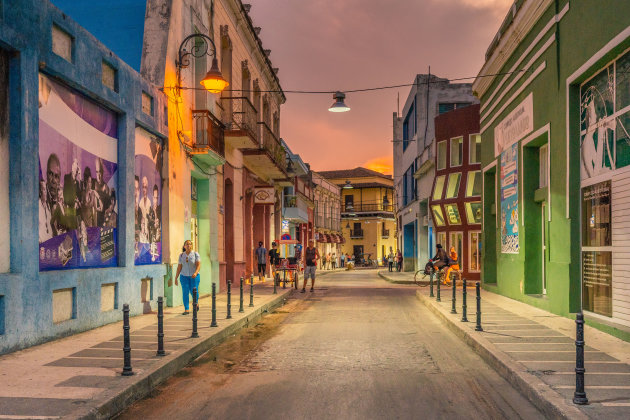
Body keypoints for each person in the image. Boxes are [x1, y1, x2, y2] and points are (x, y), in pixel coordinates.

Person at [174, 240, 201, 315]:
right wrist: (176, 277)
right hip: (184, 276)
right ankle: (186, 309)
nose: (188, 245)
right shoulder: (181, 255)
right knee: (185, 292)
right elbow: (179, 267)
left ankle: (196, 303)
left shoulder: (195, 254)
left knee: (194, 291)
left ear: (191, 246)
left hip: (194, 276)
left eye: (190, 244)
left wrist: (195, 273)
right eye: (187, 244)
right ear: (184, 246)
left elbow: (198, 265)